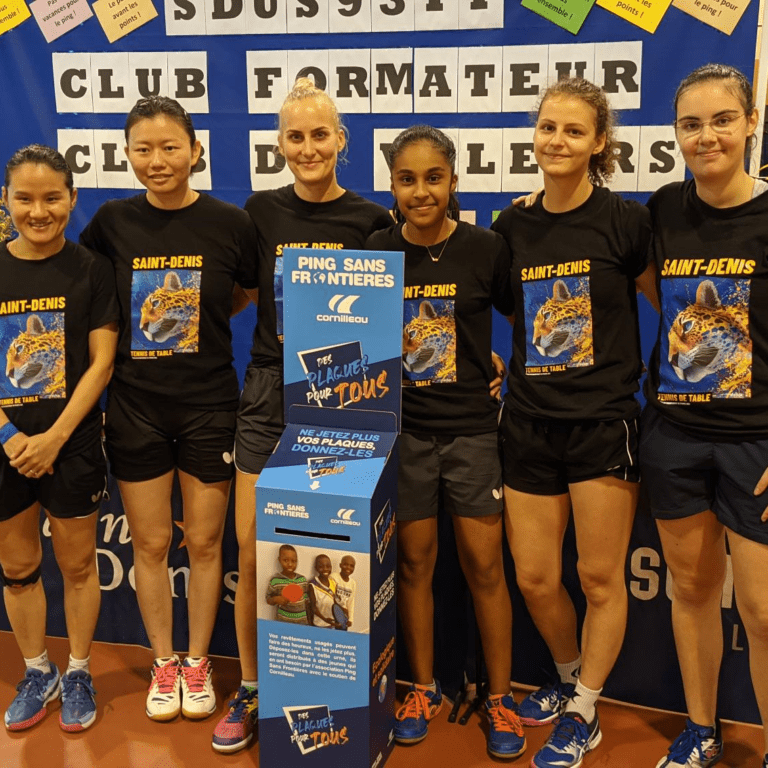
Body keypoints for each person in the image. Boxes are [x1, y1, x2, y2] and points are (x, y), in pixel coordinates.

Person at [211, 77, 392, 753]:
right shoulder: (259, 212)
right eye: (295, 136)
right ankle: (253, 688)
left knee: (331, 552)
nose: (309, 147)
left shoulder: (373, 221)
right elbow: (238, 292)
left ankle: (328, 697)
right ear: (280, 144)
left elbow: (395, 313)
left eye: (320, 134)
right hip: (268, 393)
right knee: (254, 551)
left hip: (344, 394)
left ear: (341, 139)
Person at [491, 78, 658, 768]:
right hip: (528, 423)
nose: (556, 141)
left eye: (573, 130)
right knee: (534, 577)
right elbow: (510, 315)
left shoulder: (626, 222)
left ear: (599, 143)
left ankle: (585, 710)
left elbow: (673, 306)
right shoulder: (510, 228)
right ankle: (568, 679)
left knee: (597, 578)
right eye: (547, 127)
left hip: (602, 425)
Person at [80, 96, 259, 724]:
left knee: (205, 542)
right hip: (135, 407)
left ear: (195, 151)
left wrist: (199, 317)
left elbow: (244, 293)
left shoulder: (230, 223)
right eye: (144, 149)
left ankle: (198, 662)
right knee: (152, 543)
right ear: (128, 155)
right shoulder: (110, 222)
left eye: (170, 147)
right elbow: (93, 299)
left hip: (210, 404)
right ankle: (164, 663)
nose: (157, 160)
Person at [366, 125, 524, 761]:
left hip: (472, 433)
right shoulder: (376, 250)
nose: (421, 191)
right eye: (407, 179)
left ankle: (500, 697)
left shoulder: (487, 247)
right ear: (393, 185)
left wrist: (501, 364)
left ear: (454, 181)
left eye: (434, 178)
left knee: (486, 568)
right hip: (404, 434)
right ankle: (423, 689)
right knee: (413, 566)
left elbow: (527, 320)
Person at [641, 64, 768, 768]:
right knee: (690, 591)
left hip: (757, 444)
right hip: (676, 437)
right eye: (691, 124)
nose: (707, 136)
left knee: (763, 611)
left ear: (750, 123)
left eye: (722, 120)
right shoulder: (663, 209)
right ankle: (700, 728)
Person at [0, 145, 118, 732]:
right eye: (24, 198)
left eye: (52, 198)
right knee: (18, 565)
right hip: (5, 449)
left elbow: (101, 364)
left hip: (70, 444)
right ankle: (36, 670)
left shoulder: (92, 268)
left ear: (72, 198)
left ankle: (77, 671)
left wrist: (54, 438)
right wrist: (9, 435)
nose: (38, 211)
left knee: (76, 565)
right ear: (6, 200)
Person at [265, 544, 308, 624]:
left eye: (293, 561)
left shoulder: (302, 579)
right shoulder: (275, 580)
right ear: (279, 560)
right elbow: (268, 599)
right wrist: (275, 599)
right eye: (285, 560)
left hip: (302, 622)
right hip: (283, 621)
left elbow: (306, 599)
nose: (290, 564)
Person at [307, 554, 339, 628]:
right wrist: (325, 619)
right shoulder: (312, 585)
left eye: (328, 566)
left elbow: (335, 602)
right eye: (321, 567)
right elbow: (313, 608)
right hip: (319, 624)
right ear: (316, 568)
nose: (325, 569)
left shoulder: (333, 582)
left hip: (331, 623)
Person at [331, 554, 357, 630]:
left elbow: (351, 601)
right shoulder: (334, 577)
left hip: (344, 615)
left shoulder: (353, 583)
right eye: (345, 564)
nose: (348, 567)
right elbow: (330, 596)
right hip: (333, 612)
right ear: (340, 565)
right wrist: (341, 608)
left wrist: (350, 619)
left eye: (351, 566)